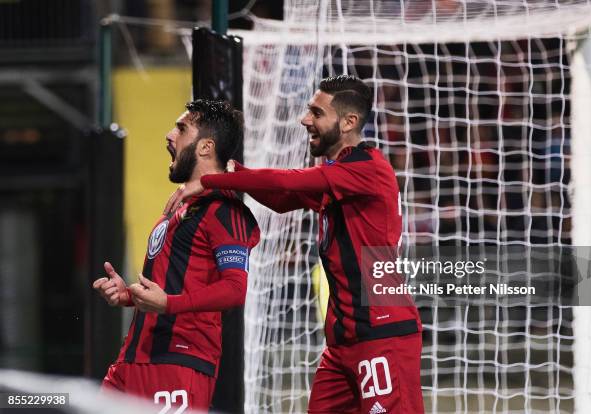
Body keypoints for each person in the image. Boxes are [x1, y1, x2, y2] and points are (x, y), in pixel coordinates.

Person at [165, 75, 424, 414]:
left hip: (382, 332)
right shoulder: (340, 174)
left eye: (317, 113)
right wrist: (231, 172)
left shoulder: (368, 167)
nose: (305, 120)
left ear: (348, 122)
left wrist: (210, 180)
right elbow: (281, 198)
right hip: (343, 342)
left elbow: (286, 183)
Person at [92, 100, 260, 412]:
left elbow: (236, 289)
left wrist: (168, 304)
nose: (170, 135)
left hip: (178, 362)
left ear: (206, 146)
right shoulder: (178, 208)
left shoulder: (224, 210)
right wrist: (128, 295)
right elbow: (173, 281)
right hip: (132, 359)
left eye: (181, 128)